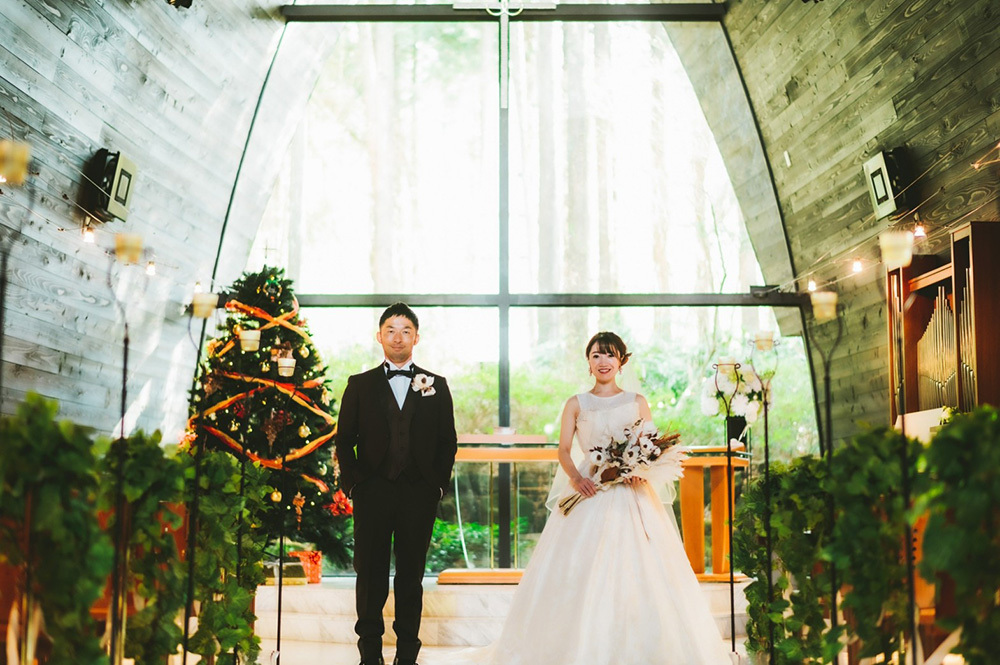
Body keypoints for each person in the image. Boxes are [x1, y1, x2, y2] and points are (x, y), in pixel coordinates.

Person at [432, 331, 731, 665]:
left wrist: (636, 470)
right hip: (589, 490)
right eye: (596, 355)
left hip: (632, 495)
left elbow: (649, 448)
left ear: (622, 361)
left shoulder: (636, 401)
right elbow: (562, 450)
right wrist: (577, 478)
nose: (603, 361)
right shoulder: (576, 403)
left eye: (610, 355)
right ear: (588, 363)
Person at [336, 303, 458, 665]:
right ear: (379, 336)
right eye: (390, 329)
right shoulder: (359, 385)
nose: (398, 336)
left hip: (418, 494)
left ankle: (407, 656)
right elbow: (344, 440)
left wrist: (436, 485)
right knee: (369, 574)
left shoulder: (437, 385)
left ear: (416, 337)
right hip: (372, 491)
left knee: (411, 576)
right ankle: (369, 656)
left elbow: (447, 442)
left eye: (406, 330)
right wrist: (355, 484)